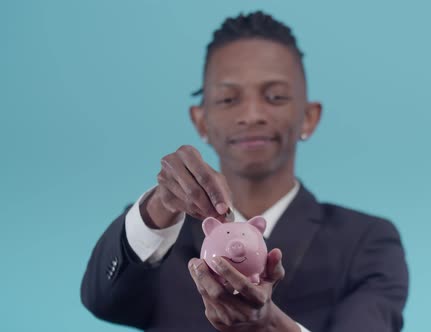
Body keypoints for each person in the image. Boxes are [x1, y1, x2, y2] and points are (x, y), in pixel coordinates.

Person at [81, 11, 409, 332]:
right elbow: (101, 301)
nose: (251, 114)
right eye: (227, 99)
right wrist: (158, 206)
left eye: (275, 96)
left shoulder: (366, 241)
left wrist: (271, 326)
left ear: (308, 117)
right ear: (201, 121)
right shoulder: (159, 233)